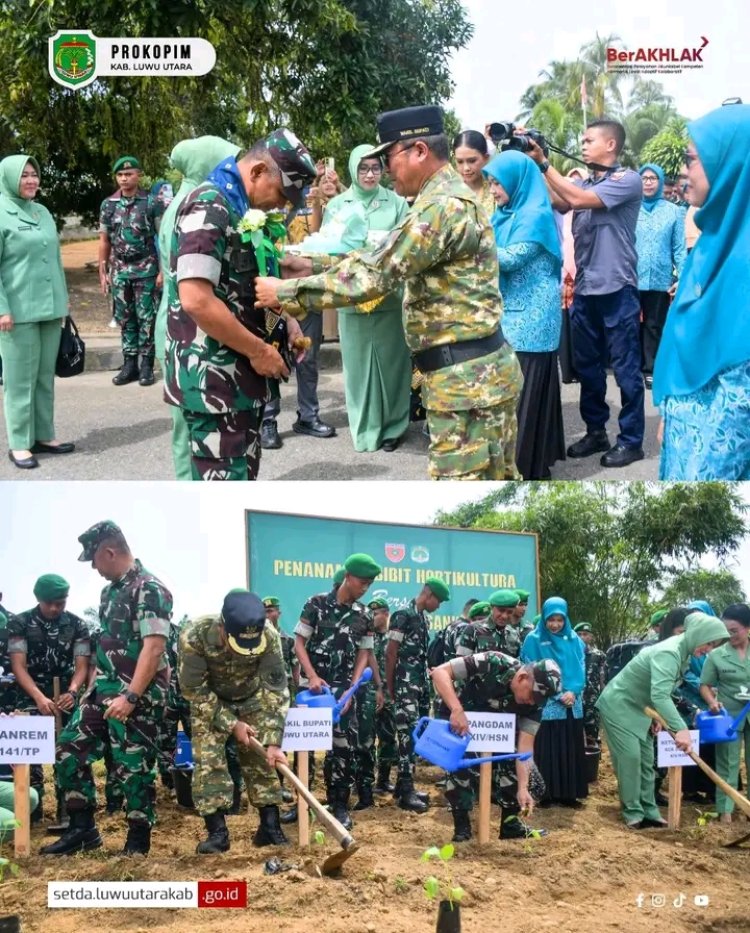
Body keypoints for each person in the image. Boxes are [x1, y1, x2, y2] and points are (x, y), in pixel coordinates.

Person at [255, 105, 524, 480]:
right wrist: (314, 265)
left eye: (390, 158)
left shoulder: (441, 207)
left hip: (466, 385)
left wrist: (287, 291)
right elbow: (385, 255)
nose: (386, 171)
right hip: (473, 378)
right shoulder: (443, 199)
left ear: (418, 151)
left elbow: (376, 273)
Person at [163, 129, 317, 481]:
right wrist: (260, 351)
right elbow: (196, 300)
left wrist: (286, 322)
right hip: (214, 384)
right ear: (259, 171)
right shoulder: (210, 205)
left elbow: (246, 285)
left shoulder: (238, 207)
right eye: (281, 194)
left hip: (239, 385)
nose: (282, 206)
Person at [41, 521, 172, 857]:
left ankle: (138, 840)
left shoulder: (150, 589)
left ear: (108, 552)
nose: (94, 568)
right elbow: (105, 645)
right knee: (68, 748)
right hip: (102, 692)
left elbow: (154, 647)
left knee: (133, 767)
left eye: (94, 560)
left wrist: (131, 697)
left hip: (137, 697)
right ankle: (83, 829)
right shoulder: (109, 592)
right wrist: (92, 689)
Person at [525, 119, 645, 468]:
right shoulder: (586, 182)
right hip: (586, 289)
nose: (583, 144)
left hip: (617, 289)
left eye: (589, 139)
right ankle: (596, 431)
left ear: (611, 145)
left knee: (625, 369)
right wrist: (532, 162)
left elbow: (576, 197)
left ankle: (632, 440)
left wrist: (547, 163)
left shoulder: (627, 181)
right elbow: (558, 199)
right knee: (588, 367)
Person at [291, 144, 410, 453]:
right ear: (353, 170)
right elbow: (327, 247)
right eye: (363, 168)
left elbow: (406, 246)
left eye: (375, 168)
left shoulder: (396, 203)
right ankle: (365, 427)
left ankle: (394, 427)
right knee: (357, 369)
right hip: (352, 297)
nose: (370, 174)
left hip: (388, 296)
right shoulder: (339, 205)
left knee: (393, 365)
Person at [653, 104, 750, 480]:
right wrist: (671, 412)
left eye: (691, 159)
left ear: (731, 164)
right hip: (684, 434)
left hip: (717, 457)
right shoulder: (712, 245)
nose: (682, 171)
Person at [155, 136, 241, 481]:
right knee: (189, 427)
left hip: (184, 324)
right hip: (187, 328)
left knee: (190, 427)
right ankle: (187, 482)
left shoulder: (187, 201)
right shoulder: (195, 206)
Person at [178, 590, 290, 852]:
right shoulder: (194, 636)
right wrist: (231, 723)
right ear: (222, 628)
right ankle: (218, 833)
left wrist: (273, 741)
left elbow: (275, 689)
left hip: (252, 698)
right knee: (208, 762)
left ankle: (270, 827)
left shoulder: (269, 636)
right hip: (210, 701)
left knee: (263, 760)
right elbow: (194, 691)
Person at [596, 610, 729, 828]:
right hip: (619, 705)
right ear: (698, 634)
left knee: (648, 761)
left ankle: (649, 809)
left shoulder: (683, 653)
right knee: (630, 758)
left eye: (713, 646)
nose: (708, 650)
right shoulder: (669, 652)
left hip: (642, 708)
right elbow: (659, 694)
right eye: (709, 643)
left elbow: (659, 691)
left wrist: (657, 716)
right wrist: (681, 730)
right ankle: (633, 812)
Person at [483, 150, 565, 480]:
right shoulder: (504, 214)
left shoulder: (535, 215)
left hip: (533, 315)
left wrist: (470, 246)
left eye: (497, 184)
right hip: (511, 309)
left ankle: (524, 466)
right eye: (489, 185)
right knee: (520, 391)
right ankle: (531, 461)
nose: (492, 191)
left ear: (516, 182)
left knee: (524, 394)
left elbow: (514, 257)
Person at [431, 653, 561, 841]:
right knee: (460, 767)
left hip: (498, 730)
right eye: (532, 695)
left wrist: (523, 788)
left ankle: (510, 824)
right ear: (522, 677)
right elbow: (440, 672)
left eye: (538, 700)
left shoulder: (536, 703)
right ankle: (462, 827)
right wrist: (456, 709)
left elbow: (525, 749)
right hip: (461, 718)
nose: (532, 701)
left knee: (513, 765)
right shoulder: (492, 662)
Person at [293, 553, 378, 829]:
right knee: (303, 747)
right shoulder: (315, 604)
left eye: (370, 584)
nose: (365, 588)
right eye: (362, 582)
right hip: (313, 689)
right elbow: (299, 643)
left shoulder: (364, 614)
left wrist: (352, 689)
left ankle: (338, 805)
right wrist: (312, 675)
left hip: (342, 691)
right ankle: (301, 803)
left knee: (343, 748)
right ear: (348, 578)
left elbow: (364, 652)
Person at [0, 155, 73, 470]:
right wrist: (2, 309)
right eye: (24, 176)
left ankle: (44, 435)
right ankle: (19, 443)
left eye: (34, 175)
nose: (31, 181)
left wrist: (63, 304)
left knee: (45, 377)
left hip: (49, 310)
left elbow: (55, 260)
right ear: (10, 178)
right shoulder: (1, 212)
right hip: (16, 313)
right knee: (19, 382)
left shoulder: (42, 212)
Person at [7, 575, 90, 827]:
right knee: (28, 756)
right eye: (49, 603)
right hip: (29, 695)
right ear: (38, 600)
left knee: (66, 752)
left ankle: (67, 809)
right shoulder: (18, 623)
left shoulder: (78, 625)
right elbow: (18, 666)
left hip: (64, 697)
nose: (55, 608)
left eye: (60, 603)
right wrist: (39, 697)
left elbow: (82, 666)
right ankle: (32, 811)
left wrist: (73, 691)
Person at [99, 156, 166, 388]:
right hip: (119, 269)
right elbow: (104, 239)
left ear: (138, 175)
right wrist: (103, 269)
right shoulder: (109, 204)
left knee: (146, 318)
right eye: (120, 175)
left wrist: (163, 271)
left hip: (146, 268)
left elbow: (163, 238)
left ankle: (147, 365)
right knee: (125, 318)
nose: (124, 179)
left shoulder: (151, 202)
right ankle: (130, 365)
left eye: (129, 174)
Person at [387, 579, 450, 812]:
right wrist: (391, 687)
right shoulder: (402, 615)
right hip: (404, 684)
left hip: (419, 685)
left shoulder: (423, 618)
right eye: (439, 601)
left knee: (416, 733)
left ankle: (403, 787)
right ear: (429, 595)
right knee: (406, 735)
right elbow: (391, 653)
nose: (439, 606)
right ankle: (406, 790)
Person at [521, 597, 588, 807]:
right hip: (548, 700)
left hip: (572, 701)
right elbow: (530, 667)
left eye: (560, 619)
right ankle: (547, 794)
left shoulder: (574, 638)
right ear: (545, 618)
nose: (556, 624)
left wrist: (574, 691)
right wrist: (558, 694)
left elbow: (581, 665)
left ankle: (569, 794)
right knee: (547, 746)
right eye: (551, 619)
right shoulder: (533, 639)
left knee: (570, 745)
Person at [635, 164, 687, 389]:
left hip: (660, 280)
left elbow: (679, 248)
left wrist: (682, 278)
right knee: (628, 324)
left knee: (654, 326)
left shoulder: (673, 211)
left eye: (653, 178)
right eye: (644, 178)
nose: (647, 182)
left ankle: (650, 369)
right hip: (630, 277)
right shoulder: (630, 208)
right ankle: (629, 367)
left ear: (661, 182)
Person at [699, 604, 750, 823]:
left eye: (734, 630)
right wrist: (712, 702)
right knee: (727, 763)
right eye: (726, 630)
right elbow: (705, 685)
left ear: (748, 628)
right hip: (729, 718)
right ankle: (725, 810)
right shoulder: (716, 656)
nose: (730, 635)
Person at [367, 597, 398, 796]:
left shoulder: (394, 638)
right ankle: (365, 781)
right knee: (366, 740)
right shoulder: (367, 637)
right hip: (369, 695)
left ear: (386, 614)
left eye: (375, 614)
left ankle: (383, 780)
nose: (372, 617)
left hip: (389, 696)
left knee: (388, 739)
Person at [457, 589, 522, 659]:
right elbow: (460, 663)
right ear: (492, 608)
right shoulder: (473, 630)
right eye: (501, 610)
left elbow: (518, 664)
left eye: (510, 612)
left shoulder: (514, 634)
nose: (504, 616)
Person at [574, 623, 605, 748]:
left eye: (585, 634)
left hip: (591, 700)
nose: (582, 637)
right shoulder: (571, 654)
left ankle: (591, 764)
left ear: (591, 637)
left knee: (591, 734)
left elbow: (603, 679)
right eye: (579, 634)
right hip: (574, 700)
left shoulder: (598, 655)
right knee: (574, 736)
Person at [453, 130, 494, 218]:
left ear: (486, 158)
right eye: (460, 162)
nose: (466, 168)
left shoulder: (496, 191)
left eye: (472, 161)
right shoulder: (447, 192)